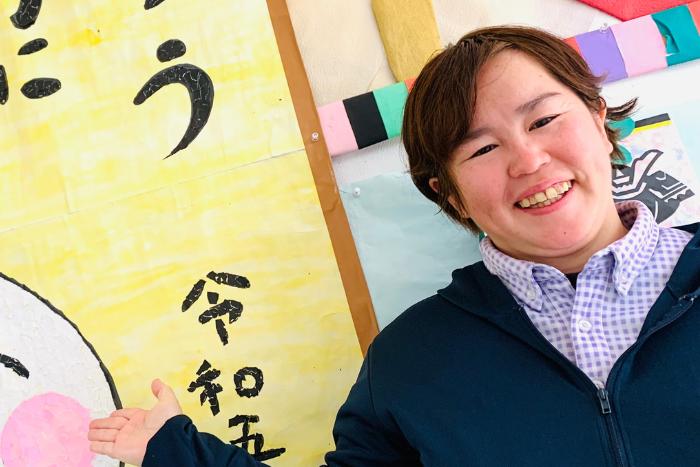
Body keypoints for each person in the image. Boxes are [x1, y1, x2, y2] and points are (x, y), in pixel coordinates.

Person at [88, 25, 700, 466]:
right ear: (450, 194)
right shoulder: (411, 360)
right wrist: (174, 451)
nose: (528, 160)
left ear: (599, 120)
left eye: (543, 120)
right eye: (483, 149)